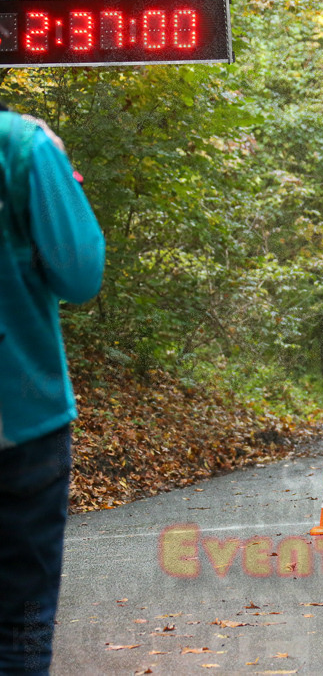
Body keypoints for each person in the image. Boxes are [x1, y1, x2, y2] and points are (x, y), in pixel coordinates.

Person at [0, 106, 105, 673]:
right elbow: (80, 275)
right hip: (20, 419)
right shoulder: (23, 145)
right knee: (21, 626)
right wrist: (61, 173)